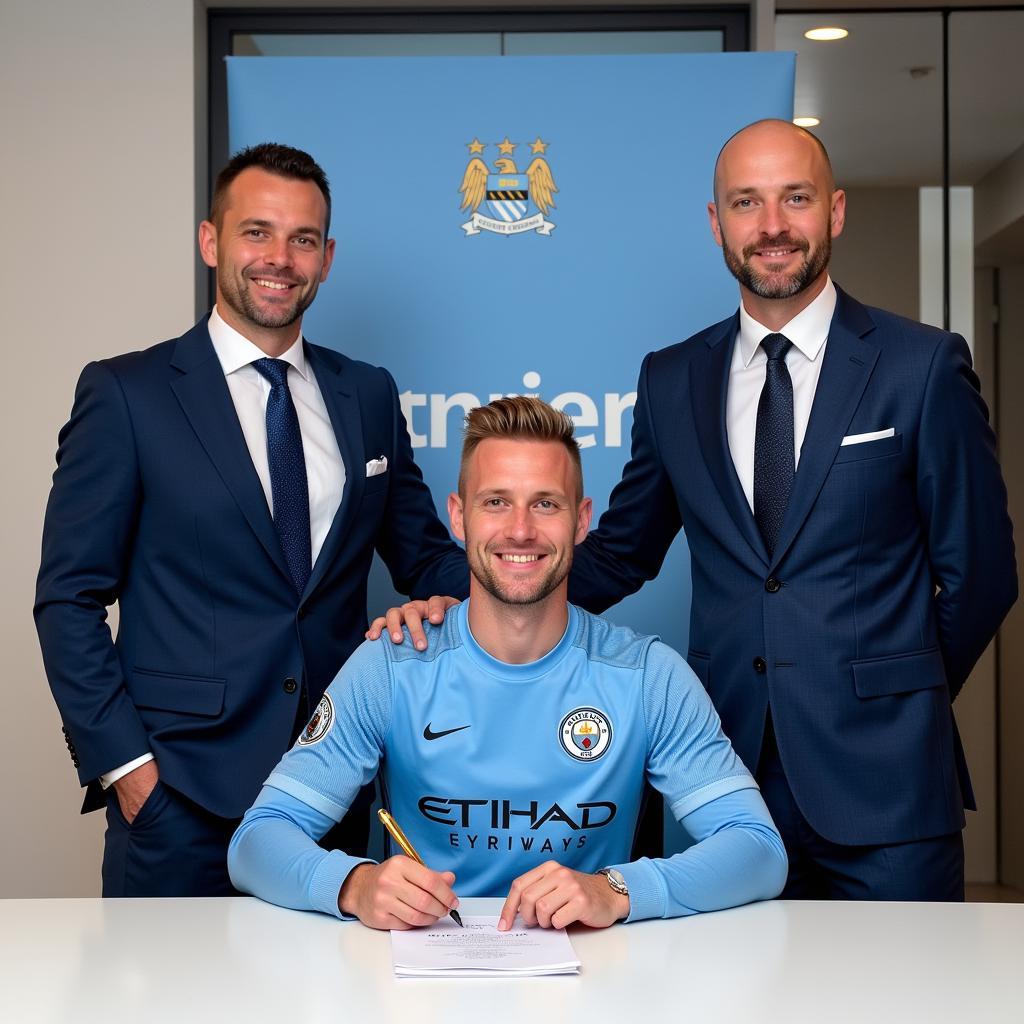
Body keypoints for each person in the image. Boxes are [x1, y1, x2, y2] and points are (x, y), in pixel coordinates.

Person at [375, 120, 1017, 901]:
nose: (772, 225)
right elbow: (620, 553)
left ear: (835, 212)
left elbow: (982, 575)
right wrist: (463, 601)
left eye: (796, 199)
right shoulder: (675, 378)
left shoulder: (921, 366)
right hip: (726, 781)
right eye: (746, 202)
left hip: (888, 785)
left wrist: (895, 695)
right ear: (718, 223)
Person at [34, 143, 468, 897]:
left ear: (327, 258)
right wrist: (130, 773)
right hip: (179, 802)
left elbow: (425, 558)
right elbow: (67, 598)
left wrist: (509, 573)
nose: (280, 258)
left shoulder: (365, 394)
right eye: (256, 232)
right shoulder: (127, 395)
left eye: (303, 239)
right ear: (211, 241)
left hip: (329, 794)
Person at [228, 397, 787, 929]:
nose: (520, 529)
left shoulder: (648, 675)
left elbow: (758, 851)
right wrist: (353, 883)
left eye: (546, 503)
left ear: (582, 520)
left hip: (594, 982)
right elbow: (257, 842)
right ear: (458, 516)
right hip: (425, 983)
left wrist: (615, 891)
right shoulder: (393, 664)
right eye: (496, 501)